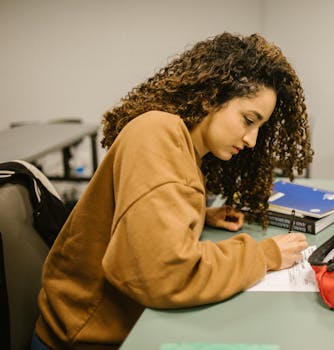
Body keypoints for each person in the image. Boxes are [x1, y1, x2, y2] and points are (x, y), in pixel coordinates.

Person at [32, 32, 313, 349]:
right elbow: (162, 273)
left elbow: (145, 211)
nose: (251, 141)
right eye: (249, 120)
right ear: (211, 96)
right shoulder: (157, 133)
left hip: (115, 325)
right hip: (84, 337)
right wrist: (265, 254)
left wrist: (199, 215)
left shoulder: (181, 142)